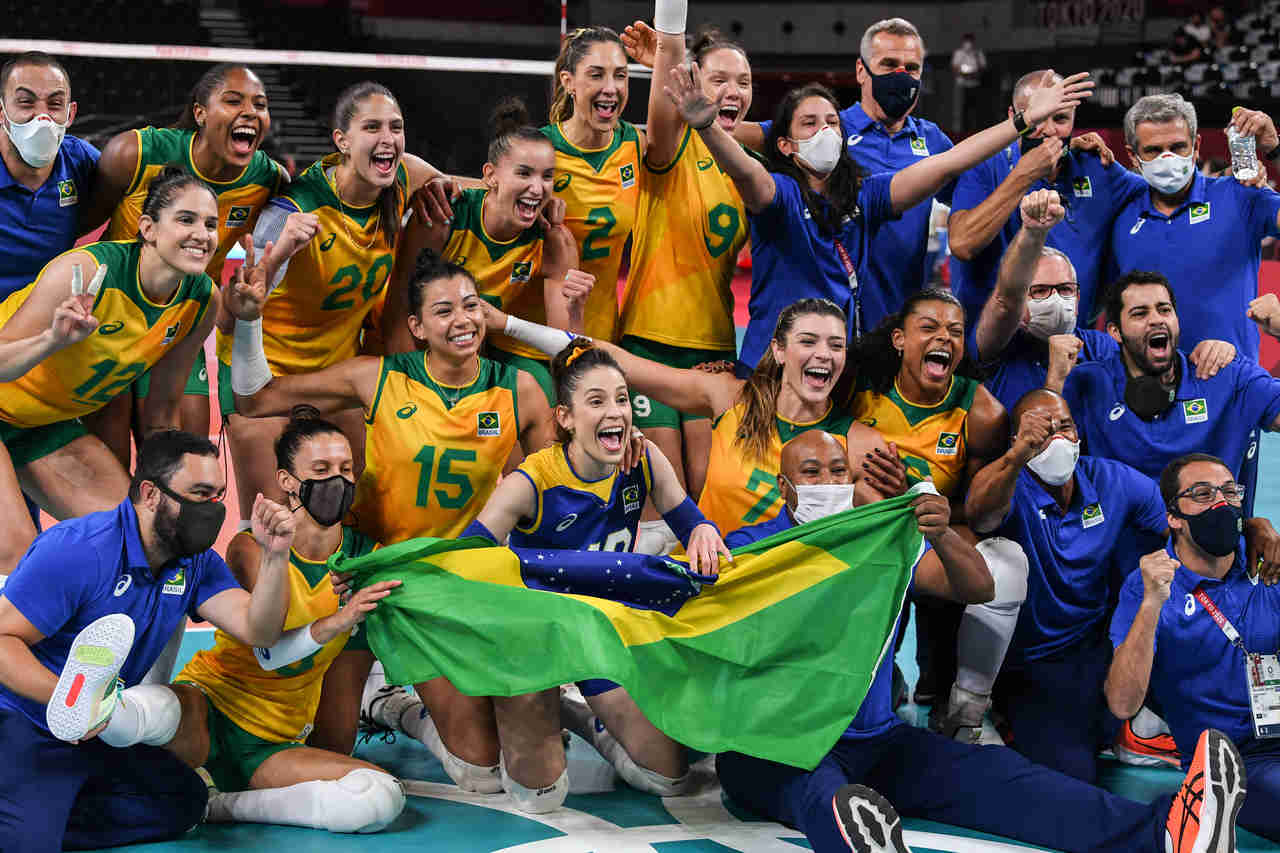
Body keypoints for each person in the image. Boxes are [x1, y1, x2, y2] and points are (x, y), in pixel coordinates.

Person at [716, 430, 1245, 853]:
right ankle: (853, 838)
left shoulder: (873, 538)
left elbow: (977, 586)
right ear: (785, 489)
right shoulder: (750, 550)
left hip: (876, 740)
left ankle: (1166, 835)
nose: (828, 482)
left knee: (998, 776)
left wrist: (942, 534)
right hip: (778, 744)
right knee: (820, 792)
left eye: (838, 471)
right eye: (812, 473)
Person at [228, 246, 554, 791]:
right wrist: (248, 320)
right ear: (417, 325)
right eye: (444, 310)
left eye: (471, 306)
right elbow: (256, 398)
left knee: (480, 770)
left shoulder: (518, 389)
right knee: (330, 746)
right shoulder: (375, 377)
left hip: (454, 583)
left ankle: (394, 705)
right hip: (366, 574)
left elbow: (554, 487)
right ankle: (381, 688)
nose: (462, 320)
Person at [662, 50, 1092, 367]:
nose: (826, 131)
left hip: (835, 367)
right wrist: (706, 126)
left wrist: (1020, 122)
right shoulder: (778, 195)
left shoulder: (867, 197)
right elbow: (742, 170)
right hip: (768, 367)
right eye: (809, 124)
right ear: (785, 145)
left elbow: (949, 162)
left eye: (832, 122)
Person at [99, 412, 406, 834]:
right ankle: (91, 709)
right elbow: (268, 654)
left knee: (379, 795)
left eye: (346, 469)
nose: (336, 481)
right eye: (320, 470)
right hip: (209, 707)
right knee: (152, 708)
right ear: (286, 481)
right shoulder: (250, 547)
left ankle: (219, 805)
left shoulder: (367, 557)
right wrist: (340, 619)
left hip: (274, 741)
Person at [458, 339, 729, 812]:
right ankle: (512, 700)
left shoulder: (641, 459)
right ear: (565, 417)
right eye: (597, 401)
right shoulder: (532, 481)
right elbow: (466, 557)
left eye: (622, 399)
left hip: (604, 637)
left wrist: (704, 531)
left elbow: (691, 519)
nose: (617, 412)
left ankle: (579, 714)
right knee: (539, 795)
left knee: (669, 777)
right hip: (538, 641)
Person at [0, 430, 298, 851]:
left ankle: (47, 809)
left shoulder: (193, 562)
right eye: (198, 493)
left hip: (94, 729)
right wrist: (71, 698)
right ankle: (33, 813)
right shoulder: (80, 551)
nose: (210, 509)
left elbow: (259, 630)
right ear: (150, 494)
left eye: (216, 496)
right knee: (25, 844)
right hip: (21, 720)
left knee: (183, 802)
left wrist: (276, 557)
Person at [218, 80, 448, 526]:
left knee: (366, 516)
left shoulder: (402, 177)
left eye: (396, 127)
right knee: (272, 525)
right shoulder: (295, 213)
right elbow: (229, 319)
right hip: (265, 381)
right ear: (341, 141)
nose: (388, 138)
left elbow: (471, 188)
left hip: (336, 379)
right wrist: (277, 257)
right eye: (372, 127)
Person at [492, 297, 888, 536]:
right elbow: (618, 362)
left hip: (791, 606)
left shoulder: (860, 444)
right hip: (712, 585)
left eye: (835, 345)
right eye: (808, 341)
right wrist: (504, 324)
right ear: (780, 351)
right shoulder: (731, 398)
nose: (824, 354)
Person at [0, 167, 222, 576]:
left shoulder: (201, 300)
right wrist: (52, 340)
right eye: (186, 220)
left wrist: (169, 487)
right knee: (14, 553)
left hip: (44, 427)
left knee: (142, 538)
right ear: (148, 228)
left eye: (211, 223)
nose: (202, 233)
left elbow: (162, 408)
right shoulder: (85, 273)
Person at [942, 388, 1167, 780]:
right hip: (1032, 662)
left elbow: (1177, 524)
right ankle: (1005, 717)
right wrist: (1017, 457)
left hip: (1096, 645)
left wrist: (1251, 526)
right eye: (1041, 431)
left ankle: (1124, 728)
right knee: (1073, 774)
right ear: (1018, 441)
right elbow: (980, 516)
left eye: (1065, 427)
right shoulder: (1008, 483)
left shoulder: (1109, 480)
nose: (1057, 438)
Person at [83, 63, 288, 471]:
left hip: (182, 322)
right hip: (111, 322)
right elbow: (81, 225)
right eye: (233, 100)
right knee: (114, 477)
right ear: (200, 113)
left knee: (188, 466)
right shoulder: (134, 154)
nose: (250, 112)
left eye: (260, 105)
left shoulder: (270, 181)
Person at [617, 7, 753, 550]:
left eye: (743, 82)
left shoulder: (748, 164)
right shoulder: (670, 146)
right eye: (719, 78)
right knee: (659, 503)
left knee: (708, 499)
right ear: (694, 83)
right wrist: (668, 47)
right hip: (648, 346)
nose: (734, 91)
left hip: (715, 354)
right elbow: (667, 109)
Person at [725, 17, 955, 329]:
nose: (902, 76)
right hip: (832, 323)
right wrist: (688, 104)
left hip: (900, 321)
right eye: (888, 64)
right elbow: (738, 132)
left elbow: (970, 196)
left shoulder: (933, 140)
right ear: (862, 71)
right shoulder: (827, 132)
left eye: (912, 68)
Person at [849, 288, 1009, 709]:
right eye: (930, 328)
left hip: (934, 529)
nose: (945, 338)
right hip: (864, 532)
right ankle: (881, 676)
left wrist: (915, 500)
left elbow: (976, 513)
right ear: (899, 339)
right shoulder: (858, 391)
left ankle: (949, 691)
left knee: (977, 558)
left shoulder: (982, 411)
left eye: (955, 332)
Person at [1107, 452, 1280, 842]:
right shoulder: (1150, 586)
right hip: (1237, 765)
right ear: (1174, 517)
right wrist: (1152, 602)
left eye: (1229, 492)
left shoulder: (1266, 564)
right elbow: (1121, 703)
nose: (1219, 503)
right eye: (1202, 494)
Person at [390, 97, 585, 408]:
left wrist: (576, 309)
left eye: (547, 176)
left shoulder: (553, 241)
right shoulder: (442, 216)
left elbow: (568, 349)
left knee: (544, 389)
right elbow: (399, 316)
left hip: (479, 351)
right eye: (524, 174)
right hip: (413, 349)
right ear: (490, 175)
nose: (538, 188)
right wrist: (413, 397)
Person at [975, 189, 1236, 413]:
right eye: (1041, 291)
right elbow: (1005, 300)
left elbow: (1160, 365)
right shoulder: (996, 348)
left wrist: (1217, 350)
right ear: (1021, 300)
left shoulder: (1099, 347)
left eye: (1065, 289)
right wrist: (1033, 234)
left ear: (1078, 297)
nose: (1056, 299)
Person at [947, 70, 1147, 332]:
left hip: (1071, 342)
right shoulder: (986, 165)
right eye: (1039, 117)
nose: (1050, 130)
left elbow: (1159, 194)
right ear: (1013, 117)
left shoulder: (1095, 166)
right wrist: (1024, 175)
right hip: (991, 348)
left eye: (1061, 118)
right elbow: (962, 243)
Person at [1056, 271, 1280, 494]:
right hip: (1125, 529)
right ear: (1115, 331)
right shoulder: (1087, 383)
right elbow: (1047, 467)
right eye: (1139, 314)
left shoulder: (1225, 374)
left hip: (1210, 526)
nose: (1156, 319)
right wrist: (1054, 381)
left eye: (1164, 310)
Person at [1106, 94, 1280, 362]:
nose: (1167, 158)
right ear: (1132, 155)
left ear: (1196, 146)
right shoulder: (1120, 215)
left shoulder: (1240, 195)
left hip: (1232, 388)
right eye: (1153, 150)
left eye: (1178, 147)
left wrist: (1273, 149)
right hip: (1148, 392)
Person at [543, 26, 645, 343]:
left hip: (604, 337)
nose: (611, 88)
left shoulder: (635, 145)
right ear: (568, 82)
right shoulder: (539, 151)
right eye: (596, 75)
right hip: (539, 338)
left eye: (620, 75)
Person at [0, 52, 99, 303]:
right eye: (25, 102)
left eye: (54, 104)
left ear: (70, 113)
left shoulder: (82, 160)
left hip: (49, 317)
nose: (42, 117)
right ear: (2, 112)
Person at [950, 33, 985, 137]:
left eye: (970, 42)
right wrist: (963, 74)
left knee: (974, 108)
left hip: (974, 84)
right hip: (961, 84)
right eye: (966, 42)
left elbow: (982, 68)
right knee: (961, 108)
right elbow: (954, 68)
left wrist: (973, 74)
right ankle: (959, 130)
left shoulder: (978, 53)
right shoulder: (959, 53)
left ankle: (974, 129)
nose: (968, 44)